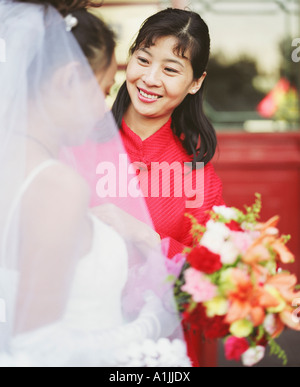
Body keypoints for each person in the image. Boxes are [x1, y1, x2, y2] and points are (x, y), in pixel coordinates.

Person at [0, 1, 190, 367]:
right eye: (103, 91)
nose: (104, 110)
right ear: (69, 79)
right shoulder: (57, 187)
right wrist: (152, 324)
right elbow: (39, 349)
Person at [102, 8, 224, 367]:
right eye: (143, 59)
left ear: (196, 82)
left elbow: (210, 277)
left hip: (162, 349)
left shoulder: (198, 173)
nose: (150, 78)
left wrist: (147, 238)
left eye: (170, 69)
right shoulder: (80, 145)